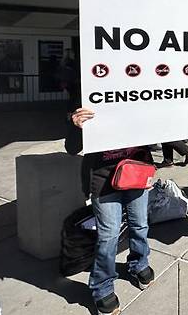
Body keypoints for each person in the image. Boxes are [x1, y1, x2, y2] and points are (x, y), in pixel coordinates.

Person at [65, 106, 155, 315]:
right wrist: (75, 125)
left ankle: (139, 263)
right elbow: (72, 147)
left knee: (140, 224)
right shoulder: (89, 95)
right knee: (108, 235)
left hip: (137, 171)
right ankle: (102, 286)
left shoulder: (143, 93)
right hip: (103, 177)